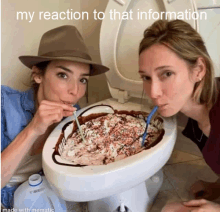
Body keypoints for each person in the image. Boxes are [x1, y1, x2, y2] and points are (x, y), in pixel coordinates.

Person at [1, 25, 109, 209]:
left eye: (82, 79)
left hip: (46, 190)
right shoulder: (4, 105)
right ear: (37, 75)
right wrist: (33, 128)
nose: (75, 91)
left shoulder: (73, 115)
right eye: (63, 75)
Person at [138, 19, 220, 211]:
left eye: (166, 74)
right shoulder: (194, 114)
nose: (153, 92)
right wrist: (216, 187)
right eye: (146, 77)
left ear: (198, 70)